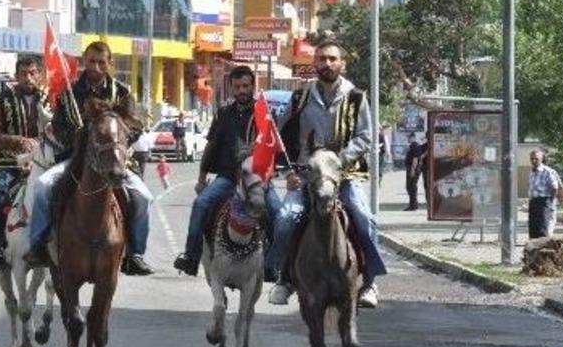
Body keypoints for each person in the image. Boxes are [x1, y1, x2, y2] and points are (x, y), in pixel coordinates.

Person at [267, 37, 387, 308]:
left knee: (363, 216)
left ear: (342, 64)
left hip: (344, 176)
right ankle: (283, 277)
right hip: (307, 176)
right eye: (322, 59)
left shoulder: (357, 97)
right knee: (286, 217)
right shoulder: (300, 96)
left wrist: (337, 161)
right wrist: (287, 171)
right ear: (314, 63)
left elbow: (366, 136)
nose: (327, 63)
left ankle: (369, 282)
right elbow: (280, 134)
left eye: (333, 59)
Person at [25, 41, 155, 276]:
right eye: (91, 61)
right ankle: (38, 245)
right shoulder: (70, 93)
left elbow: (135, 126)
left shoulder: (122, 92)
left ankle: (135, 254)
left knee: (144, 197)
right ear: (84, 61)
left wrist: (115, 137)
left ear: (109, 64)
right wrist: (83, 135)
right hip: (76, 160)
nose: (95, 67)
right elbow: (59, 127)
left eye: (101, 62)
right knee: (42, 187)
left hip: (113, 161)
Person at [172, 65, 281, 278]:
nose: (242, 90)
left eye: (246, 86)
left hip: (258, 179)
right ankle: (191, 256)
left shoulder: (264, 113)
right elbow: (212, 146)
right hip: (228, 177)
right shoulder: (223, 113)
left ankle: (274, 264)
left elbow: (273, 147)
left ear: (253, 87)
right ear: (231, 88)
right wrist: (202, 178)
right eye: (237, 86)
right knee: (201, 203)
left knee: (278, 213)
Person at [0, 57, 44, 270]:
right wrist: (18, 142)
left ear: (39, 75)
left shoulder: (49, 99)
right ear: (17, 75)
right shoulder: (4, 99)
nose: (28, 78)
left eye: (33, 73)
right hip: (12, 165)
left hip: (43, 164)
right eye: (24, 73)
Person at [527, 150, 560, 239]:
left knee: (542, 229)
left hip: (543, 202)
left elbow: (555, 188)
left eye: (536, 159)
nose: (533, 161)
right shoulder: (532, 172)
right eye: (532, 159)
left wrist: (550, 201)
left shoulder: (548, 171)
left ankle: (543, 249)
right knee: (533, 229)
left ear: (542, 159)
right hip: (533, 202)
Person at [404, 133, 422, 210]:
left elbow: (415, 159)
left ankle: (413, 205)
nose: (408, 139)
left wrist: (413, 169)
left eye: (409, 137)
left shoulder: (415, 146)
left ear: (413, 137)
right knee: (410, 187)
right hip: (412, 168)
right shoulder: (413, 146)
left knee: (411, 187)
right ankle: (412, 204)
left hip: (413, 169)